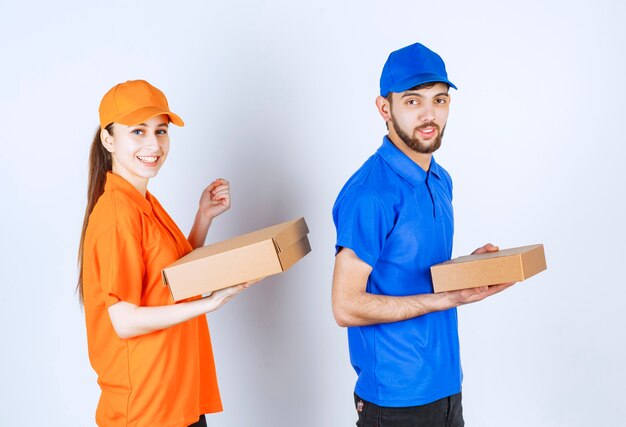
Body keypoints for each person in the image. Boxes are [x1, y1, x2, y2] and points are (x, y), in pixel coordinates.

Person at [331, 43, 515, 426]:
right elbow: (345, 305)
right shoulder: (370, 194)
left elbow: (414, 269)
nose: (430, 115)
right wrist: (447, 297)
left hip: (447, 387)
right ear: (385, 108)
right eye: (413, 102)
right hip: (395, 400)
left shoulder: (440, 179)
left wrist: (468, 271)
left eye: (440, 100)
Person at [77, 79, 257, 426]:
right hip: (147, 409)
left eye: (161, 131)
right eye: (138, 131)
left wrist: (202, 219)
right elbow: (125, 320)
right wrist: (211, 302)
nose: (153, 144)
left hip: (176, 398)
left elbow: (170, 282)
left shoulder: (143, 203)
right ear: (108, 139)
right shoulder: (118, 213)